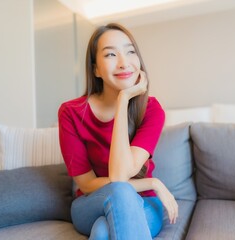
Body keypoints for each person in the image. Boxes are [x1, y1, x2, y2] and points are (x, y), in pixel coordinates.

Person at [58, 23, 178, 240]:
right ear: (95, 69)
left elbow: (121, 173)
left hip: (144, 203)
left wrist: (124, 100)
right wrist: (152, 182)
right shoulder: (71, 112)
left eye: (130, 51)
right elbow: (88, 184)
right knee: (121, 191)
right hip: (91, 202)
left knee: (103, 232)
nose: (124, 63)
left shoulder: (151, 110)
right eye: (111, 54)